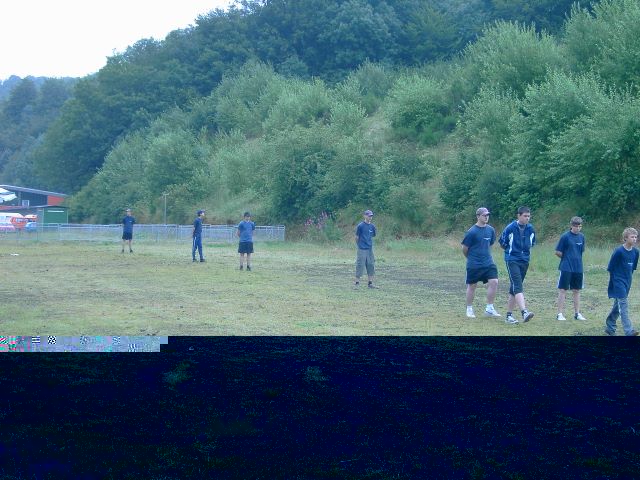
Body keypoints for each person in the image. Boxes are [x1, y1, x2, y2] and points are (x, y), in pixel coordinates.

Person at [499, 206, 536, 324]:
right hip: (512, 260)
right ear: (519, 216)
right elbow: (502, 242)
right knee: (517, 285)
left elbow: (532, 243)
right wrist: (512, 252)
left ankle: (508, 316)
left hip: (524, 260)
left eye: (528, 216)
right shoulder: (510, 228)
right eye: (525, 216)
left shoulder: (531, 229)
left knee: (514, 288)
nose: (527, 218)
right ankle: (524, 312)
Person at [461, 207, 501, 318]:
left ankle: (489, 308)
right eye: (484, 215)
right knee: (472, 286)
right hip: (474, 263)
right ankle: (469, 309)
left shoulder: (491, 230)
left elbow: (490, 244)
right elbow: (464, 248)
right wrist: (471, 258)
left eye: (488, 215)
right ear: (478, 216)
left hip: (488, 262)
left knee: (494, 282)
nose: (486, 217)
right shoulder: (471, 232)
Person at [604, 227, 640, 336]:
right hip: (618, 281)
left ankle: (610, 326)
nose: (634, 239)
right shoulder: (619, 251)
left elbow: (632, 268)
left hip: (627, 281)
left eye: (636, 237)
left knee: (618, 304)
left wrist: (627, 280)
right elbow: (611, 267)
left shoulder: (636, 252)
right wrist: (615, 282)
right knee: (623, 305)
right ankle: (629, 331)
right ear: (625, 238)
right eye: (632, 237)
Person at [555, 216, 587, 321]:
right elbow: (558, 252)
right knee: (563, 290)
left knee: (577, 290)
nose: (578, 228)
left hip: (578, 268)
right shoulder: (565, 236)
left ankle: (577, 313)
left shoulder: (582, 237)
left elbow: (581, 251)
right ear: (571, 225)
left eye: (580, 226)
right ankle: (559, 314)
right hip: (566, 267)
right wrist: (566, 259)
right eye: (576, 226)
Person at [355, 210, 377, 288]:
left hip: (369, 249)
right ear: (364, 216)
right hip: (362, 248)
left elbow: (373, 235)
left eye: (371, 216)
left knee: (371, 265)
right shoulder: (360, 226)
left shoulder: (372, 226)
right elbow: (356, 237)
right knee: (360, 265)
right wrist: (359, 245)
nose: (370, 217)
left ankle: (370, 283)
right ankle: (357, 283)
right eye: (368, 215)